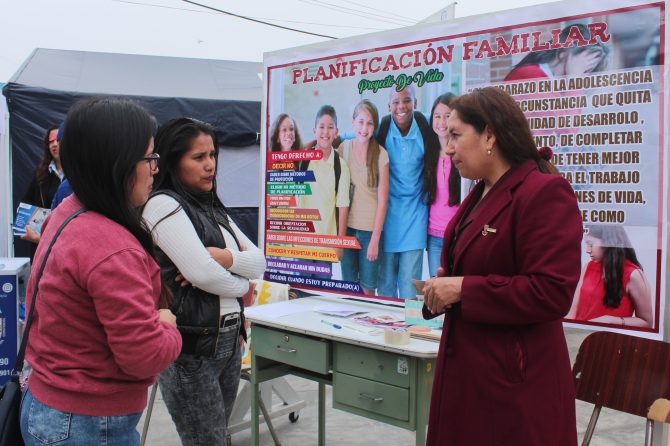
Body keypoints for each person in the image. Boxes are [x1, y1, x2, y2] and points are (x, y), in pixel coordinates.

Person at [421, 87, 582, 446]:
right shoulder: (480, 194)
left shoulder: (543, 193)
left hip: (514, 391)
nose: (448, 148)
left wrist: (464, 288)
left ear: (490, 134)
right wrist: (444, 289)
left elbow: (551, 292)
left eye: (456, 136)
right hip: (469, 377)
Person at [20, 97, 182, 446]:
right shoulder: (111, 246)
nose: (156, 168)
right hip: (88, 423)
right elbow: (143, 356)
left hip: (48, 403)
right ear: (116, 162)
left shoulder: (69, 210)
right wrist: (168, 327)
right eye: (149, 157)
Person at [142, 117, 266, 445]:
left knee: (215, 437)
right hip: (191, 347)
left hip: (227, 341)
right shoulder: (162, 204)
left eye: (212, 155)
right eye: (198, 157)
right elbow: (201, 273)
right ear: (173, 160)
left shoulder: (212, 207)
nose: (210, 165)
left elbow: (260, 262)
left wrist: (226, 259)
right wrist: (242, 285)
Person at [375, 85, 439, 298]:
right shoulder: (383, 128)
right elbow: (355, 136)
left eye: (407, 100)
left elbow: (450, 131)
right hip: (387, 216)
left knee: (409, 288)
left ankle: (408, 330)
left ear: (415, 103)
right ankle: (383, 330)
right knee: (385, 285)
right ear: (388, 106)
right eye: (396, 102)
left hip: (415, 216)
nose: (401, 106)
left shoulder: (425, 126)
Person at [337, 100, 389, 294]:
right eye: (361, 122)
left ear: (374, 126)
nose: (364, 128)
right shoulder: (344, 149)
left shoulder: (381, 155)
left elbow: (383, 200)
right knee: (348, 289)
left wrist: (375, 239)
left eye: (369, 123)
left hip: (369, 233)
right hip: (347, 230)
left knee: (368, 290)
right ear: (353, 123)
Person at [567, 225, 653, 327]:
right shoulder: (588, 267)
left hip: (609, 339)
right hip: (579, 336)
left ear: (608, 243)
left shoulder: (634, 275)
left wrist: (611, 321)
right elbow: (572, 313)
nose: (587, 250)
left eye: (591, 244)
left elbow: (647, 322)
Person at [299, 105, 350, 261]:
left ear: (336, 132)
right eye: (321, 127)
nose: (325, 132)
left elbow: (343, 208)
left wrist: (340, 244)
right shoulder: (303, 160)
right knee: (299, 286)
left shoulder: (340, 166)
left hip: (326, 246)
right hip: (302, 244)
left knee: (323, 285)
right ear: (314, 131)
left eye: (330, 127)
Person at [424, 93, 461, 277]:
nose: (441, 122)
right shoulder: (429, 153)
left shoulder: (462, 154)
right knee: (436, 293)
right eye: (437, 116)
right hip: (434, 237)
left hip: (457, 236)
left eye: (447, 116)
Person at [504, 23, 608, 81]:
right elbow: (565, 119)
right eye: (584, 66)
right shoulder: (531, 75)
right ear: (564, 51)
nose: (583, 74)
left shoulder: (560, 85)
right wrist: (573, 80)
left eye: (588, 71)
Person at [20, 124, 65, 246]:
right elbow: (27, 202)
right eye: (51, 141)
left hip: (68, 241)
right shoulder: (41, 174)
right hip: (42, 242)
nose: (54, 144)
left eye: (58, 140)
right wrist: (25, 225)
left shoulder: (78, 174)